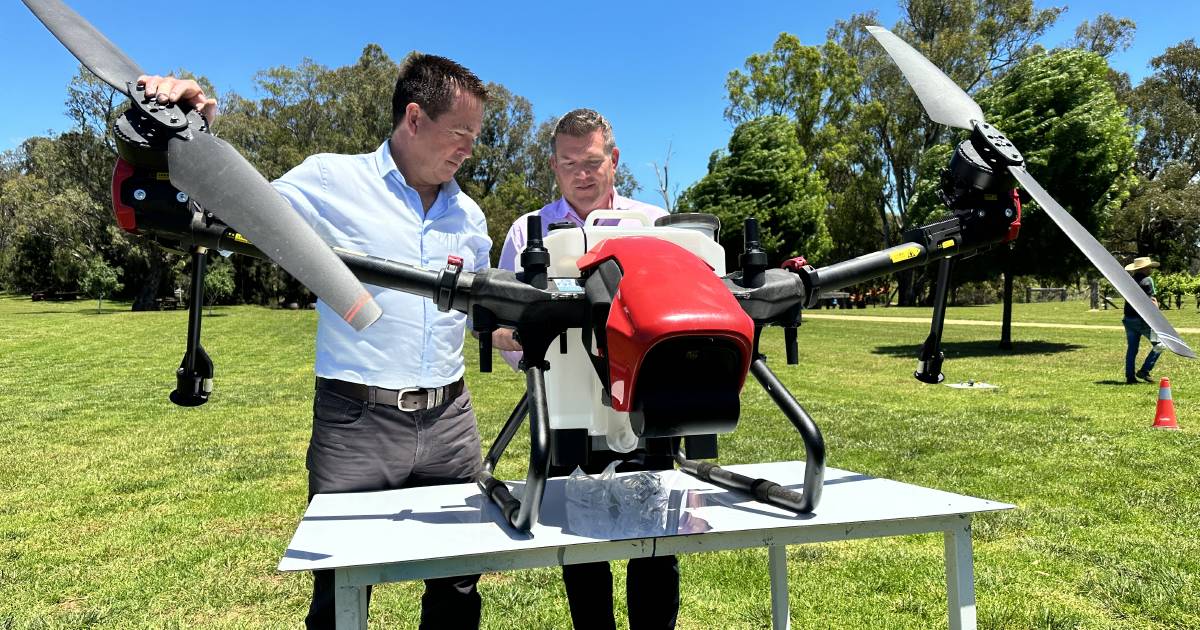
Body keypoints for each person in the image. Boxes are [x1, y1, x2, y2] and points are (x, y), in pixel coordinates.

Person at [139, 53, 519, 629]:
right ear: (414, 118)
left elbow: (478, 319)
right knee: (342, 589)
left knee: (458, 584)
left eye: (475, 135)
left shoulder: (468, 215)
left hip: (451, 422)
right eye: (461, 132)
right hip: (355, 422)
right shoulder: (327, 179)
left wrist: (538, 335)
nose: (470, 147)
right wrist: (190, 137)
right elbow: (224, 219)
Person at [496, 108, 679, 630]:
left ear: (614, 160)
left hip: (646, 403)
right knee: (579, 544)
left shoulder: (656, 225)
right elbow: (503, 327)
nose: (581, 173)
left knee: (656, 545)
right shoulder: (526, 232)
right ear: (554, 165)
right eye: (569, 162)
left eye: (593, 161)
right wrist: (521, 344)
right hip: (566, 408)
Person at [1123, 256, 1163, 384]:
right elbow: (1152, 300)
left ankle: (1130, 377)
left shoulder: (1128, 280)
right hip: (1142, 319)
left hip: (1128, 318)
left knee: (1132, 349)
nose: (1151, 269)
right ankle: (1144, 370)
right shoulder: (1148, 280)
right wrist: (1158, 318)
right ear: (1145, 268)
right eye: (1150, 267)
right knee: (1160, 344)